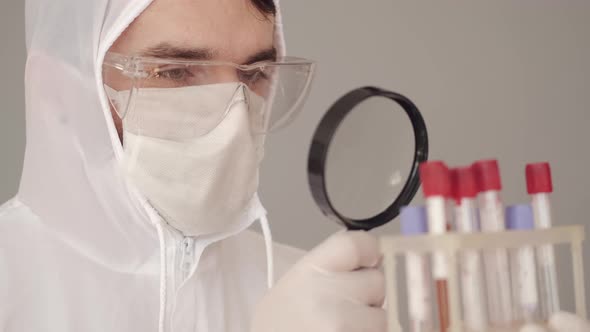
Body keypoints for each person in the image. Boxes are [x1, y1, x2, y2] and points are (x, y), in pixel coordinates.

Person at [0, 1, 588, 332]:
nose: (234, 118)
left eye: (256, 74)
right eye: (175, 73)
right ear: (60, 93)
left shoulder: (315, 294)